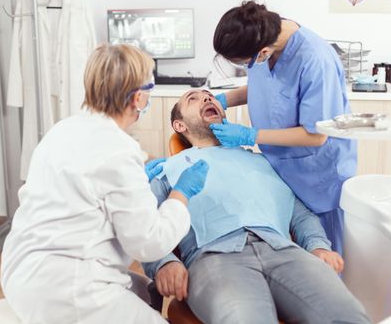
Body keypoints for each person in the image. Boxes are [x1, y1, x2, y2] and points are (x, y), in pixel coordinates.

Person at [0, 44, 209, 324]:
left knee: (145, 290)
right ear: (137, 98)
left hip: (20, 271)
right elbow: (148, 243)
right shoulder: (118, 151)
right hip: (68, 290)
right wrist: (181, 194)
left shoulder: (61, 130)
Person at [143, 89, 370, 324]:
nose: (207, 98)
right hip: (214, 258)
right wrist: (164, 263)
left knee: (349, 316)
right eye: (193, 98)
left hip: (283, 251)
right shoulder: (167, 170)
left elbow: (300, 215)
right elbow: (145, 226)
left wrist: (318, 247)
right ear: (179, 125)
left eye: (209, 96)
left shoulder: (262, 161)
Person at [211, 0, 357, 255]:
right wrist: (223, 99)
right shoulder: (262, 35)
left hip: (317, 176)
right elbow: (266, 86)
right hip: (279, 169)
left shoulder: (315, 60)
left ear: (263, 52)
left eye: (245, 62)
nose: (248, 67)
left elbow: (316, 135)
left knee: (325, 255)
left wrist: (249, 135)